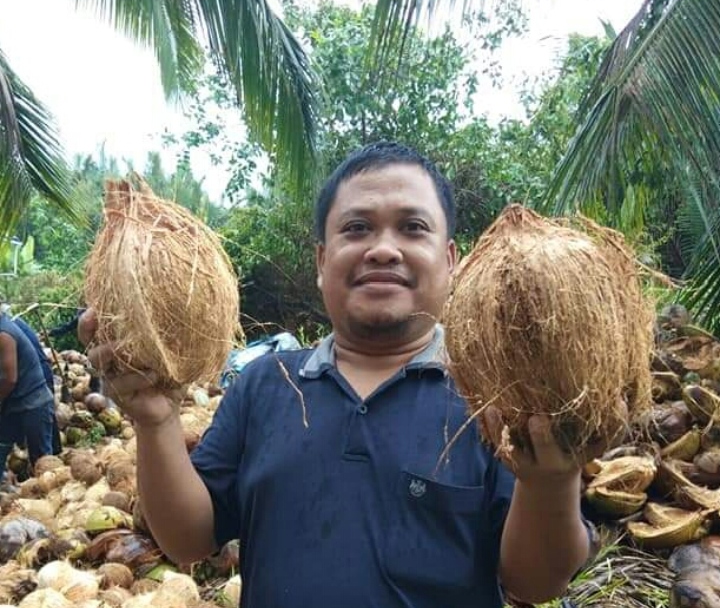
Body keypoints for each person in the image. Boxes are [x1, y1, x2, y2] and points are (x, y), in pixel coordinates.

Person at [80, 141, 602, 607]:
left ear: (451, 262)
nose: (382, 248)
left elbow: (534, 584)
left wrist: (553, 479)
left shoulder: (495, 396)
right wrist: (155, 424)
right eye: (357, 228)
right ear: (322, 261)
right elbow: (189, 541)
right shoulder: (265, 384)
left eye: (412, 227)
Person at [0, 309, 56, 483]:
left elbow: (10, 379)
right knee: (2, 444)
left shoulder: (4, 334)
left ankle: (48, 499)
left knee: (41, 460)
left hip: (34, 402)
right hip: (15, 402)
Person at [11, 316, 62, 455]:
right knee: (46, 421)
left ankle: (50, 461)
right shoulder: (15, 320)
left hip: (34, 376)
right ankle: (54, 456)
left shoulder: (6, 328)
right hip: (40, 370)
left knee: (40, 424)